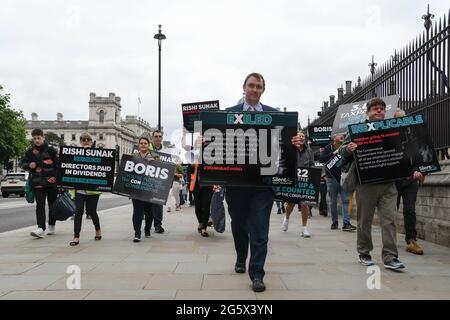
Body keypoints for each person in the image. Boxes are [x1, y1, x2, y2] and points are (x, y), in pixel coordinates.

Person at [225, 73, 303, 292]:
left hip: (264, 183)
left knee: (260, 227)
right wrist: (204, 140)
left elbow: (288, 146)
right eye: (251, 85)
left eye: (259, 86)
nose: (254, 89)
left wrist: (298, 142)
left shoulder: (275, 115)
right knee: (239, 224)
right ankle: (241, 255)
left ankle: (257, 273)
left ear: (263, 90)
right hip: (237, 182)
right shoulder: (229, 114)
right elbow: (218, 145)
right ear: (244, 87)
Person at [339, 97, 415, 270]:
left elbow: (402, 151)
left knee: (389, 220)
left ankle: (390, 257)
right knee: (364, 220)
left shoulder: (390, 128)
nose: (379, 111)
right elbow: (342, 151)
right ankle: (364, 253)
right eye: (375, 109)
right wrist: (348, 148)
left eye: (382, 108)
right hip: (366, 183)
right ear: (368, 112)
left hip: (388, 182)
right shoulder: (357, 130)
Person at [393, 108, 424, 255]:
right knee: (392, 210)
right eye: (397, 119)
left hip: (411, 179)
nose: (401, 122)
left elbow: (420, 154)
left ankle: (411, 240)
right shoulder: (388, 136)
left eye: (402, 119)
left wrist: (419, 170)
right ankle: (390, 238)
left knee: (410, 209)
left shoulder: (413, 135)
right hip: (394, 180)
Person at [20, 128, 58, 238]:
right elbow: (23, 164)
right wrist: (28, 166)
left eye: (38, 138)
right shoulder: (30, 152)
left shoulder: (51, 150)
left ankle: (52, 224)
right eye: (34, 138)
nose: (36, 140)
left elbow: (58, 165)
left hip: (51, 183)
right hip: (37, 183)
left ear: (43, 137)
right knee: (40, 206)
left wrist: (58, 180)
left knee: (52, 205)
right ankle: (41, 228)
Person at [69, 133, 102, 246]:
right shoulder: (75, 154)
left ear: (92, 142)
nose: (86, 141)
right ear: (80, 141)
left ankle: (98, 230)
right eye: (84, 139)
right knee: (78, 211)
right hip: (79, 189)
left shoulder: (98, 154)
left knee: (92, 212)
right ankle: (76, 236)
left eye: (89, 139)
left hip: (93, 190)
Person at [320, 134, 356, 231]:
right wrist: (334, 153)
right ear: (334, 138)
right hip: (332, 178)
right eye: (339, 135)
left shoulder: (346, 146)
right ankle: (334, 222)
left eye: (343, 135)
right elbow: (322, 159)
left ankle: (346, 223)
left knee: (346, 200)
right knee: (333, 201)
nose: (342, 136)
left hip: (344, 177)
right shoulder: (328, 147)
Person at [281, 131, 314, 237]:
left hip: (304, 181)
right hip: (293, 180)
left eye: (303, 136)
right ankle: (286, 218)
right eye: (299, 136)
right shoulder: (291, 148)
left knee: (304, 204)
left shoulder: (309, 150)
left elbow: (312, 164)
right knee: (291, 204)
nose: (301, 138)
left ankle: (304, 228)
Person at [131, 136, 155, 242]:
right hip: (136, 188)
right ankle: (137, 233)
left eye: (145, 143)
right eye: (141, 143)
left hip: (149, 188)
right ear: (139, 145)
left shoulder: (155, 157)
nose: (143, 145)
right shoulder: (133, 156)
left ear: (148, 145)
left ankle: (147, 229)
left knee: (149, 211)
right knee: (137, 211)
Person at [148, 130, 165, 233]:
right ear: (152, 138)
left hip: (160, 181)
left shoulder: (166, 151)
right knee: (148, 205)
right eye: (156, 136)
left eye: (159, 136)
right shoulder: (147, 148)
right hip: (148, 180)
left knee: (158, 204)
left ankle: (158, 225)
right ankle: (148, 226)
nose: (158, 138)